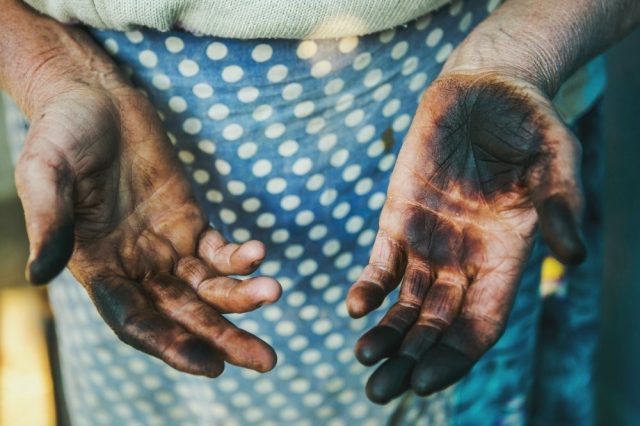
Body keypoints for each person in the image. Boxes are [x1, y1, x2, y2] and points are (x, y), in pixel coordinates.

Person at [0, 0, 637, 424]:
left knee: (449, 369)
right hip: (117, 160)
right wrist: (49, 72)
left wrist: (522, 56)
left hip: (459, 114)